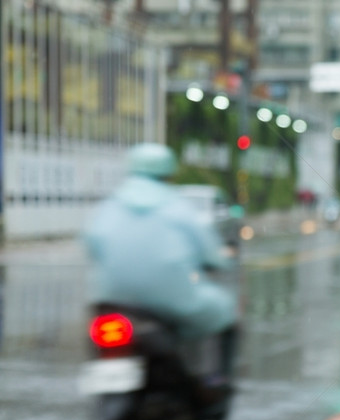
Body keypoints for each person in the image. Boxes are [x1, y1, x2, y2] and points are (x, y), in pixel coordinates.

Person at [82, 143, 238, 375]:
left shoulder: (109, 206)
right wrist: (221, 261)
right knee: (225, 311)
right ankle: (216, 385)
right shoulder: (178, 208)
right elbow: (210, 253)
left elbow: (91, 244)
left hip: (112, 302)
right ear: (169, 173)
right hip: (172, 301)